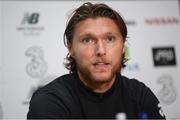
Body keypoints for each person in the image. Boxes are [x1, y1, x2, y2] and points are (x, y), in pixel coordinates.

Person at [27, 2, 166, 119]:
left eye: (110, 39)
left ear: (123, 46)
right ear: (71, 48)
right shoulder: (50, 101)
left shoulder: (140, 96)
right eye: (87, 40)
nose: (101, 50)